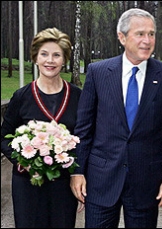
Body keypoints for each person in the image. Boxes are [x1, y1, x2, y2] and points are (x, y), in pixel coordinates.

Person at [70, 8, 162, 228]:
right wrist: (77, 171)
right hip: (101, 180)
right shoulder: (98, 72)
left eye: (151, 34)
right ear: (122, 37)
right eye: (140, 34)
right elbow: (83, 129)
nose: (147, 40)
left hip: (146, 182)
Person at [0, 27, 81, 228]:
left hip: (63, 185)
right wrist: (21, 159)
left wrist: (79, 176)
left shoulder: (78, 97)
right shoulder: (22, 96)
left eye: (56, 55)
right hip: (27, 184)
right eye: (44, 54)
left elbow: (86, 139)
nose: (50, 60)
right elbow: (4, 137)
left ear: (64, 59)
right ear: (35, 58)